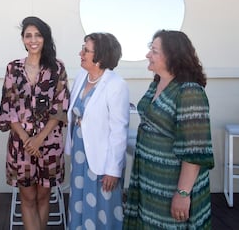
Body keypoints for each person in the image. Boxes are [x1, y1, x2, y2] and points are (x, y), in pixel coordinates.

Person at [123, 30, 214, 229]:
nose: (148, 55)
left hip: (171, 184)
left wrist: (182, 194)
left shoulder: (189, 91)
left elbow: (194, 150)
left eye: (154, 51)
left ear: (173, 56)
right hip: (148, 182)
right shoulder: (156, 83)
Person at [0, 16, 70, 230]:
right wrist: (27, 139)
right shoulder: (13, 68)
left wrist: (39, 139)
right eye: (28, 35)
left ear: (45, 38)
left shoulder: (57, 68)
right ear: (22, 40)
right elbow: (7, 106)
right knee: (27, 198)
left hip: (49, 144)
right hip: (21, 146)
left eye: (38, 35)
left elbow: (60, 107)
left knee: (44, 196)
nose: (33, 40)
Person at [64, 32, 130, 229]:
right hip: (79, 156)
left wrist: (113, 170)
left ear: (100, 56)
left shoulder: (116, 85)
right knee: (78, 204)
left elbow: (119, 131)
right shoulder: (81, 77)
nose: (80, 53)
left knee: (101, 209)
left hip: (102, 159)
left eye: (86, 50)